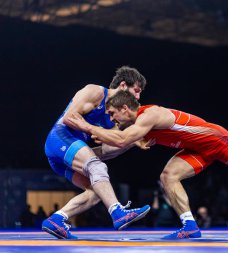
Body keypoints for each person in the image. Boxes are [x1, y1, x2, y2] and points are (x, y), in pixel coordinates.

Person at [67, 90, 228, 239]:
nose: (111, 119)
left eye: (112, 114)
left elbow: (120, 140)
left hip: (217, 140)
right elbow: (115, 147)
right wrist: (79, 153)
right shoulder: (136, 126)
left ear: (124, 108)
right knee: (167, 176)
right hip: (195, 149)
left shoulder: (149, 116)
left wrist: (88, 127)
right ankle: (190, 225)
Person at [43, 66, 151, 239]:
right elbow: (69, 117)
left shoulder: (111, 116)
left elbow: (107, 150)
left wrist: (131, 141)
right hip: (59, 138)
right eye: (136, 91)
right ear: (123, 85)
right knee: (97, 167)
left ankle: (56, 219)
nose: (138, 97)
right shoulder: (96, 92)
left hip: (66, 154)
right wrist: (93, 129)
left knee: (96, 192)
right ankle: (117, 213)